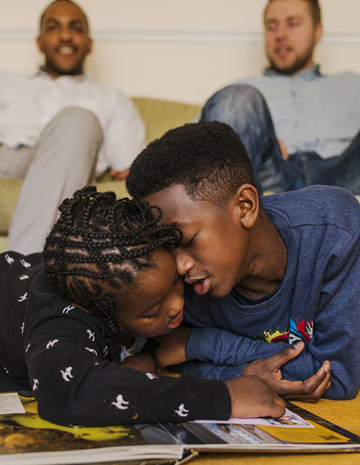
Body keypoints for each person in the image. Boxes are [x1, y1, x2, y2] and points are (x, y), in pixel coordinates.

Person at [0, 185, 289, 427]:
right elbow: (69, 393)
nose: (178, 305)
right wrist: (225, 397)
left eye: (176, 282)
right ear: (100, 313)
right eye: (153, 311)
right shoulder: (61, 317)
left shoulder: (144, 274)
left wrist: (150, 357)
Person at [126, 120, 360, 402]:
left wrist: (196, 342)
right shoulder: (183, 286)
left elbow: (336, 377)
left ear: (245, 207)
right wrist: (243, 373)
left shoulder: (334, 231)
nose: (179, 266)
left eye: (187, 241)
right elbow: (165, 357)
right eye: (168, 248)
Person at [0, 0, 145, 255]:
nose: (65, 36)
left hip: (68, 165)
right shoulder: (7, 82)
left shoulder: (110, 98)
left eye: (75, 28)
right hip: (6, 158)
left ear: (89, 44)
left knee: (78, 120)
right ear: (39, 42)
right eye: (54, 28)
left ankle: (21, 272)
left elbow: (129, 167)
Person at [200, 0, 360, 194]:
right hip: (269, 174)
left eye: (293, 24)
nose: (280, 35)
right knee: (237, 99)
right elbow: (188, 146)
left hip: (344, 174)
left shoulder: (352, 84)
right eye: (271, 27)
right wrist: (259, 138)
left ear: (317, 31)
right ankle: (227, 219)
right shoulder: (240, 94)